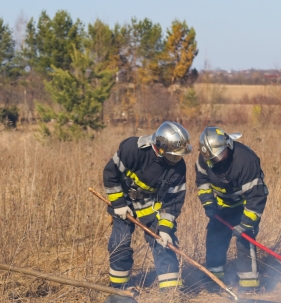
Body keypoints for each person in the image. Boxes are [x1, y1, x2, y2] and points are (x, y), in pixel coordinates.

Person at [103, 121, 191, 290]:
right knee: (120, 242)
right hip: (124, 202)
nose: (177, 160)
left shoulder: (178, 167)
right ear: (159, 148)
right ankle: (119, 288)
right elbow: (110, 174)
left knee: (164, 242)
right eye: (173, 155)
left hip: (150, 205)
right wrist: (119, 204)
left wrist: (165, 228)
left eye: (179, 155)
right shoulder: (133, 150)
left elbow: (173, 201)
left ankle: (171, 290)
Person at [196, 127, 269, 290]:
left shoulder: (245, 161)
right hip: (222, 204)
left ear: (227, 145)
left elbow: (256, 197)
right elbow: (202, 181)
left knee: (245, 240)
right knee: (215, 237)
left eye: (218, 156)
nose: (216, 161)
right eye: (212, 158)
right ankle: (214, 281)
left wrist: (245, 224)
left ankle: (249, 286)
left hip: (245, 204)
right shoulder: (205, 158)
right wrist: (208, 203)